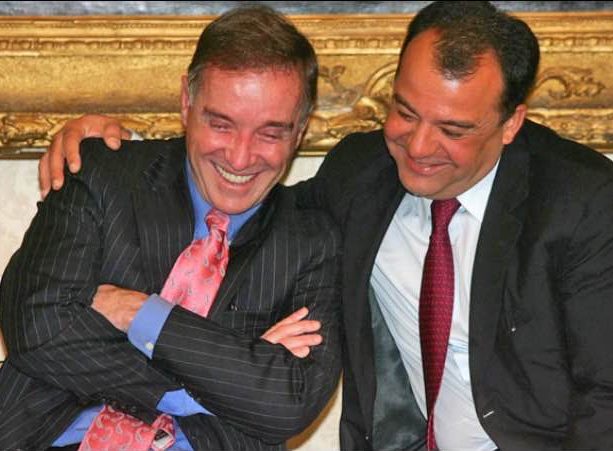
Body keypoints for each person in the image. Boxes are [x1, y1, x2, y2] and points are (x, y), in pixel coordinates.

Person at [37, 1, 613, 450]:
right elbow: (249, 198)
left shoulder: (585, 206)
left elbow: (606, 396)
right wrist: (121, 153)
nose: (417, 147)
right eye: (405, 112)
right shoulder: (363, 173)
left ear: (511, 123)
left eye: (453, 130)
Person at [0, 5, 342, 451]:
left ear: (300, 131)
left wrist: (139, 312)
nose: (240, 157)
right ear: (186, 101)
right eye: (221, 124)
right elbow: (35, 322)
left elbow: (286, 403)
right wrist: (217, 381)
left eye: (270, 134)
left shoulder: (313, 242)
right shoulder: (102, 174)